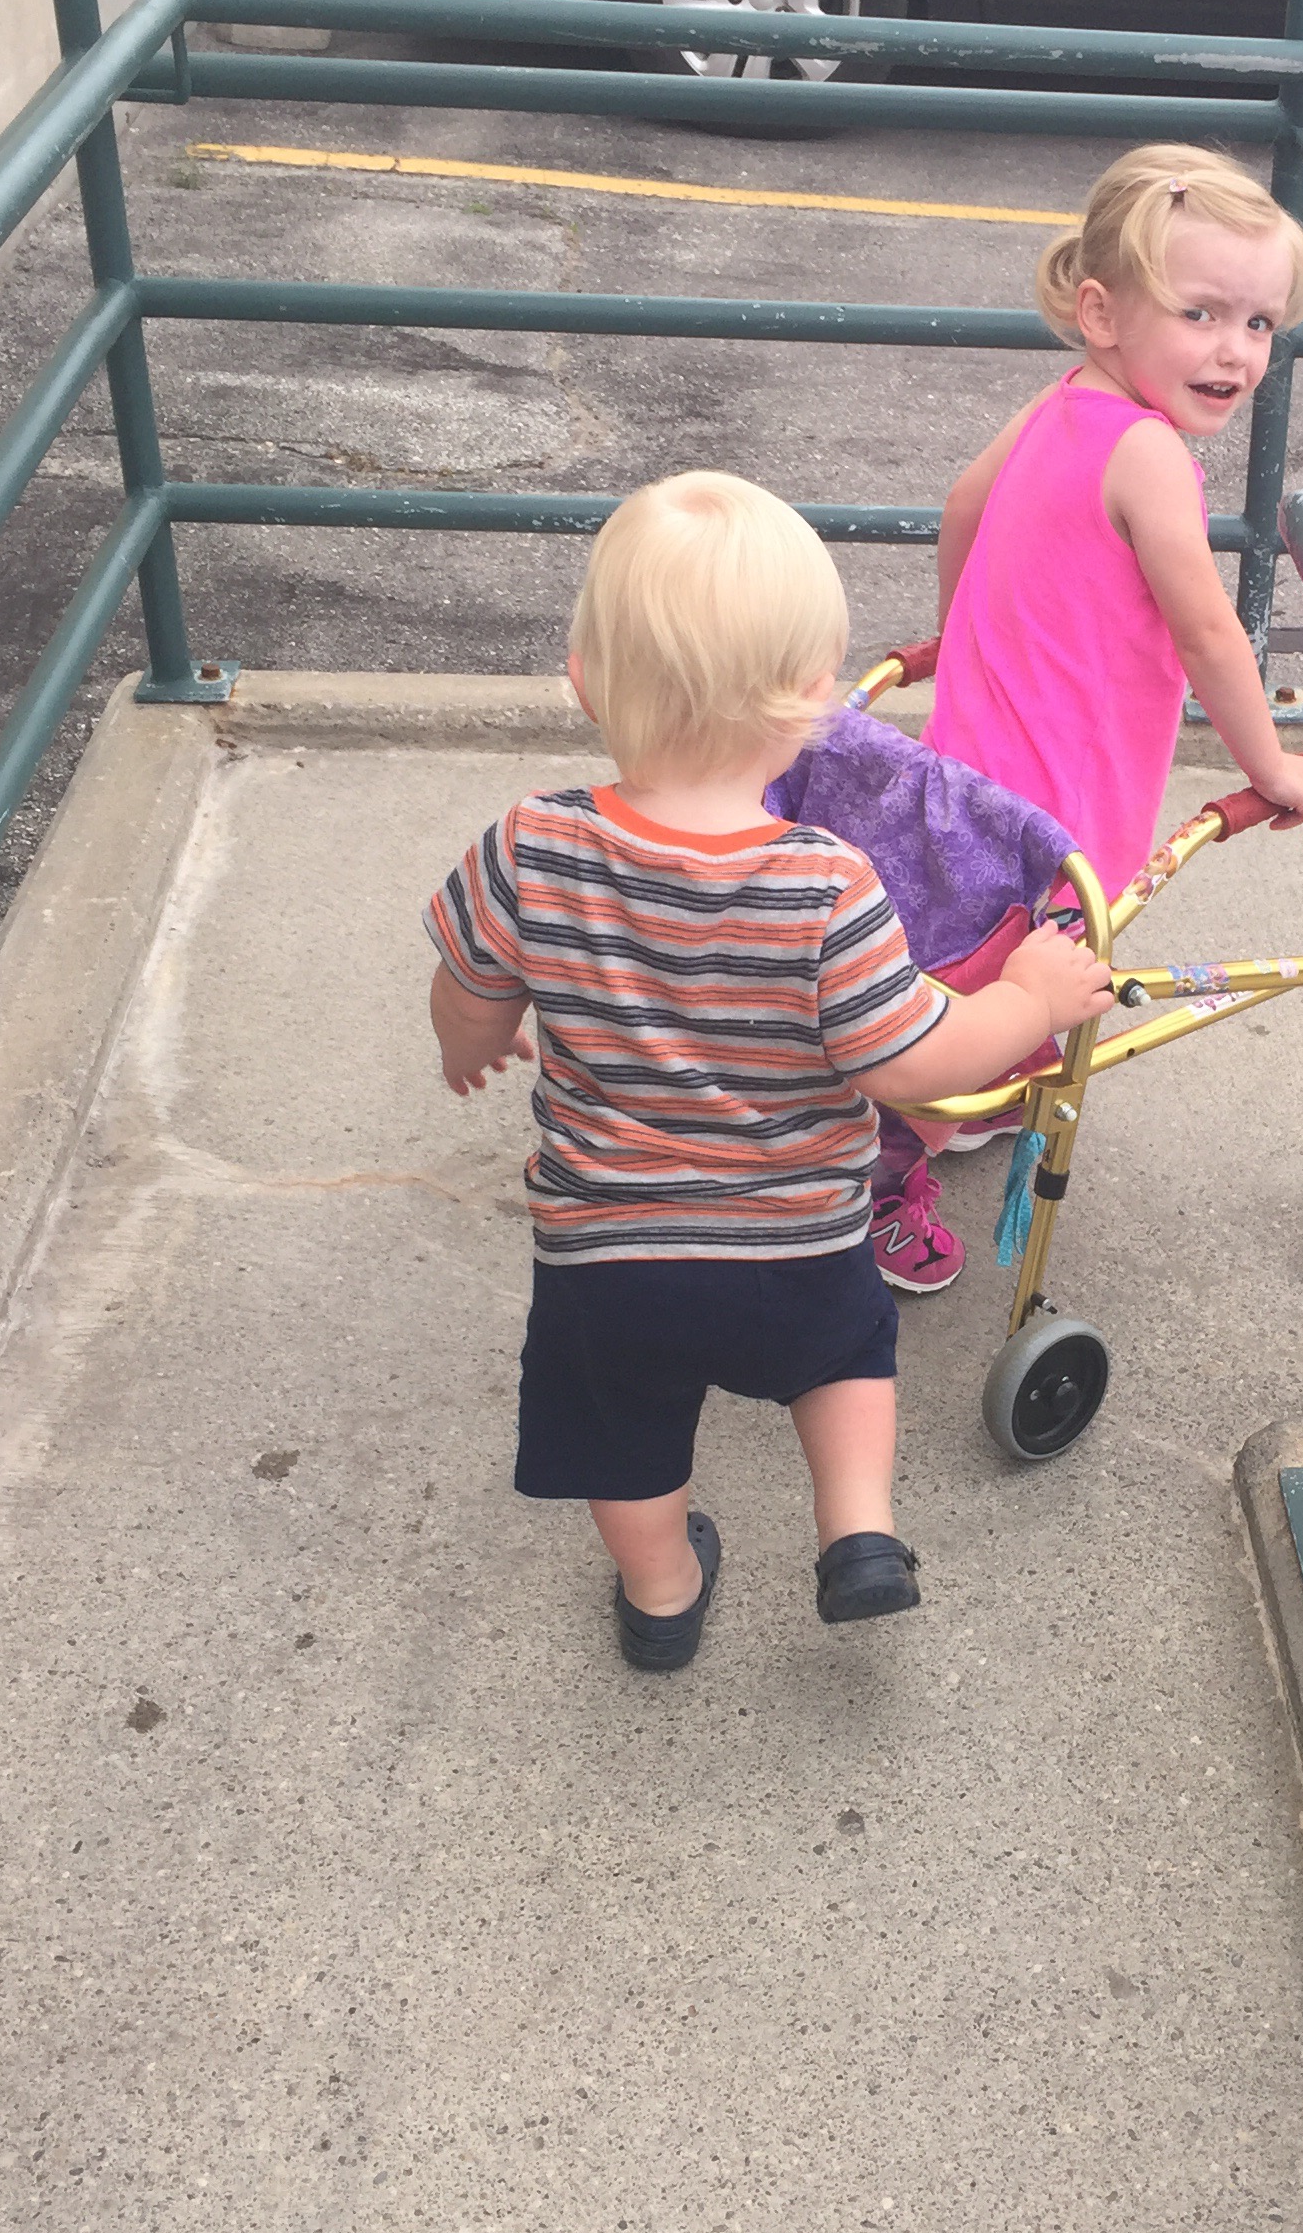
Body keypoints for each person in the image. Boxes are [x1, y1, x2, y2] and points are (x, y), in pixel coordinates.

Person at [425, 470, 1112, 1673]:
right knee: (845, 1363)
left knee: (626, 1436)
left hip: (608, 1257)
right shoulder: (828, 885)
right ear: (815, 702)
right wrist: (1028, 999)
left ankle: (661, 1595)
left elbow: (470, 986)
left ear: (584, 679)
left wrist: (471, 1045)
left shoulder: (530, 845)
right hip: (794, 1244)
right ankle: (857, 1531)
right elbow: (915, 1065)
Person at [865, 143, 1303, 1294]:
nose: (1235, 350)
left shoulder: (1067, 399)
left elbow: (963, 506)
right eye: (1201, 312)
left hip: (969, 764)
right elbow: (1209, 632)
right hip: (1053, 807)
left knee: (967, 962)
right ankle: (875, 1178)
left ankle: (973, 1080)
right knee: (1021, 970)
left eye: (1260, 323)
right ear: (1103, 312)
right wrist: (1272, 766)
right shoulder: (1150, 453)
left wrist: (965, 645)